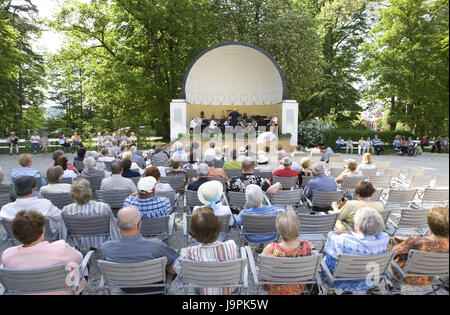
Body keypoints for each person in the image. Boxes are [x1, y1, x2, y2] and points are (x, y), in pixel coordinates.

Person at [1, 210, 86, 295]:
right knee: (78, 264)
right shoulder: (61, 248)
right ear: (43, 231)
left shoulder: (7, 255)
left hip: (24, 292)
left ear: (16, 235)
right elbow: (79, 259)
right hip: (62, 292)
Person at [101, 206, 178, 292]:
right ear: (139, 224)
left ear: (117, 224)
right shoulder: (156, 246)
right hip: (156, 288)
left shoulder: (106, 248)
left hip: (126, 288)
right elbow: (176, 261)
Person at [173, 207, 240, 295]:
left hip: (203, 291)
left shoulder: (189, 252)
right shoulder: (231, 245)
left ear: (194, 233)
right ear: (218, 227)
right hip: (229, 289)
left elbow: (177, 270)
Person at [322, 207, 389, 294]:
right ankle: (348, 291)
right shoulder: (384, 239)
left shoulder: (343, 240)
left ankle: (331, 291)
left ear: (357, 225)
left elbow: (330, 235)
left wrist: (348, 233)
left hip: (340, 281)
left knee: (328, 259)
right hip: (367, 280)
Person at [390, 206, 449, 292]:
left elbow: (395, 251)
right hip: (428, 278)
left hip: (406, 277)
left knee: (396, 255)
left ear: (430, 225)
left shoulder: (416, 241)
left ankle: (396, 287)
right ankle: (445, 282)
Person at [261, 210, 312, 295]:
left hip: (275, 289)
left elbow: (262, 270)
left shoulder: (271, 249)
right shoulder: (306, 245)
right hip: (297, 288)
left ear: (280, 232)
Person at [61, 178, 119, 249]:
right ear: (89, 191)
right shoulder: (104, 207)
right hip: (102, 246)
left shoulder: (66, 210)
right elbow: (114, 231)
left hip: (79, 248)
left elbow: (63, 235)